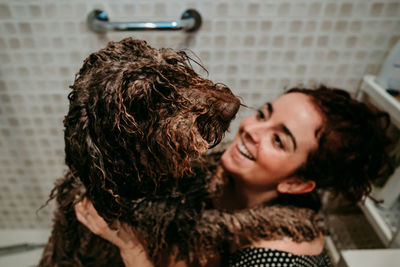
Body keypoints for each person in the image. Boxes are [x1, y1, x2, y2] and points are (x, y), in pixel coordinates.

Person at [75, 86, 392, 266]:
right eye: (265, 114)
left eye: (279, 140)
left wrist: (132, 248)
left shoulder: (273, 259)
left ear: (296, 183)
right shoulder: (230, 172)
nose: (251, 129)